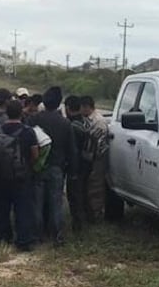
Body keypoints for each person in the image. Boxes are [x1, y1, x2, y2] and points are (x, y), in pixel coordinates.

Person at [27, 86, 74, 246]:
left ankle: (37, 235)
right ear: (59, 103)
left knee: (36, 203)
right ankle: (57, 235)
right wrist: (72, 169)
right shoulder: (65, 123)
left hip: (37, 166)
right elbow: (71, 149)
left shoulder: (33, 119)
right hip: (56, 167)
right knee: (56, 202)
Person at [0, 99, 39, 251]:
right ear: (21, 112)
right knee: (23, 209)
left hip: (0, 175)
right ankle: (24, 240)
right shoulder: (28, 131)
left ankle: (3, 237)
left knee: (2, 208)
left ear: (6, 112)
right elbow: (35, 154)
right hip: (21, 176)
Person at [64, 95, 96, 232]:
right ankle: (90, 218)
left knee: (74, 195)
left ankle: (78, 225)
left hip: (76, 165)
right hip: (87, 162)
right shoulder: (85, 122)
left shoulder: (71, 126)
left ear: (67, 108)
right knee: (83, 192)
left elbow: (72, 150)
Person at [80, 95, 110, 221]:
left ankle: (96, 213)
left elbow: (98, 143)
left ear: (87, 107)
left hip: (98, 157)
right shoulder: (87, 119)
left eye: (81, 107)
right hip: (90, 156)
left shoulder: (99, 122)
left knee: (96, 185)